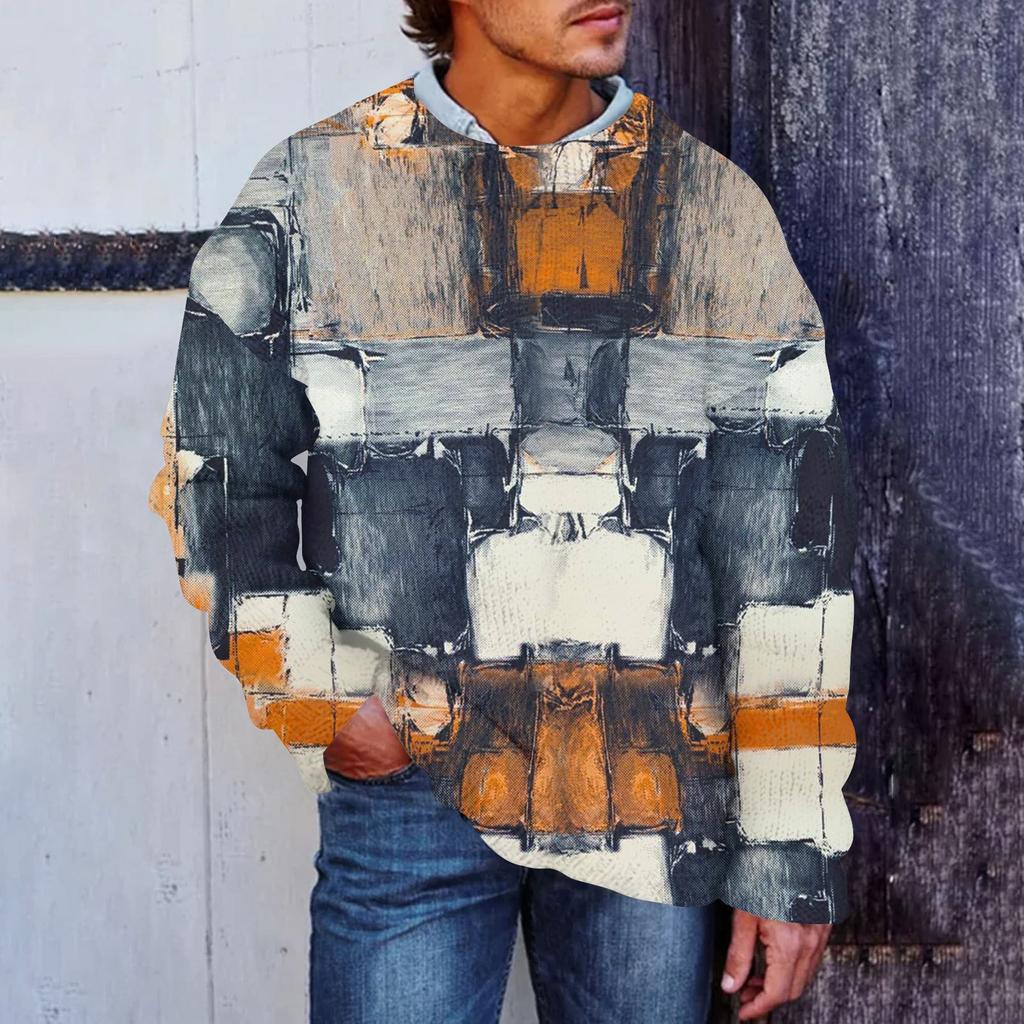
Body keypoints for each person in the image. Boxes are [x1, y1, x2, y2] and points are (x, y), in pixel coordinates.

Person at [149, 1, 859, 1021]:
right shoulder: (311, 190)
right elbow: (215, 473)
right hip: (412, 794)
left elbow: (787, 551)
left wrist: (790, 847)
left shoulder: (711, 208)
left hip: (656, 789)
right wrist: (320, 697)